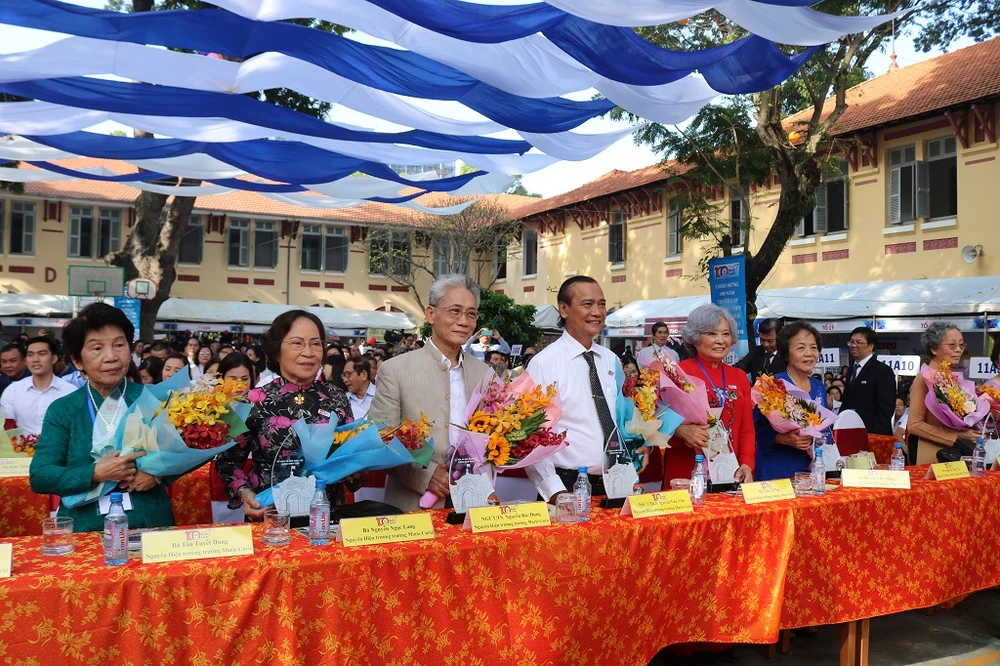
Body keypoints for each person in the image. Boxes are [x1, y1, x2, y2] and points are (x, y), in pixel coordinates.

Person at [29, 303, 173, 532]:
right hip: (85, 526)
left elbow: (180, 451)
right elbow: (41, 475)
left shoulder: (151, 399)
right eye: (97, 348)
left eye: (119, 345)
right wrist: (95, 473)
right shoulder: (64, 409)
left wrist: (157, 476)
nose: (111, 357)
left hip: (149, 521)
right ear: (77, 361)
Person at [525, 276, 662, 501]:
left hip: (615, 482)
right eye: (587, 304)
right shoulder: (544, 364)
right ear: (563, 309)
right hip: (567, 486)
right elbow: (532, 436)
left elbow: (621, 415)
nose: (597, 312)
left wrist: (640, 443)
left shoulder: (610, 359)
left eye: (602, 304)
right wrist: (555, 492)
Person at [215, 310, 359, 520]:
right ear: (276, 350)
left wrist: (356, 469)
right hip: (269, 519)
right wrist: (246, 494)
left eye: (316, 343)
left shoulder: (336, 397)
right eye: (297, 343)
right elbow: (227, 462)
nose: (308, 352)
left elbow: (351, 460)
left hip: (325, 520)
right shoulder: (254, 401)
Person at [368, 274, 492, 511]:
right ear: (431, 314)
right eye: (455, 311)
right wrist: (426, 476)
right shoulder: (396, 370)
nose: (464, 321)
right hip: (414, 509)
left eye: (471, 313)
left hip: (473, 506)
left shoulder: (485, 373)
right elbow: (380, 443)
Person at [664, 304, 756, 485]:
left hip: (731, 470)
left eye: (726, 333)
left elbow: (746, 429)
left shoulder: (739, 376)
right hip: (686, 470)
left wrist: (747, 463)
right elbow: (656, 420)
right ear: (695, 338)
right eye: (712, 334)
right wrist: (680, 431)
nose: (721, 340)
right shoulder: (678, 373)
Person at [754, 321, 830, 481]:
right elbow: (753, 429)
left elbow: (825, 428)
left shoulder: (819, 386)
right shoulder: (771, 386)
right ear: (786, 353)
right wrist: (782, 438)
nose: (809, 353)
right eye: (801, 348)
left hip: (811, 467)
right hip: (777, 467)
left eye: (814, 347)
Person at [907, 322, 979, 464]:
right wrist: (957, 435)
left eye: (961, 345)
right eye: (952, 345)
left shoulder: (951, 378)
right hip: (929, 451)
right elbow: (914, 425)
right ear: (934, 348)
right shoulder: (924, 378)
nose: (958, 350)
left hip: (954, 451)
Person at [0, 337, 75, 435]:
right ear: (26, 360)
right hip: (20, 448)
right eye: (30, 355)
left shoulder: (70, 392)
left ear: (54, 359)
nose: (35, 359)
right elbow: (7, 429)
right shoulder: (12, 391)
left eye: (42, 354)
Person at [839, 326, 896, 435]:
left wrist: (873, 435)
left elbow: (886, 409)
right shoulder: (851, 369)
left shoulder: (882, 371)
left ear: (871, 346)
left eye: (859, 342)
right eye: (851, 342)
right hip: (851, 431)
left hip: (873, 435)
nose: (854, 346)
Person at [734, 318, 785, 383]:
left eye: (770, 341)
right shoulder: (756, 351)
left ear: (780, 337)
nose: (766, 344)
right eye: (762, 340)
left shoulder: (787, 355)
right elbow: (737, 369)